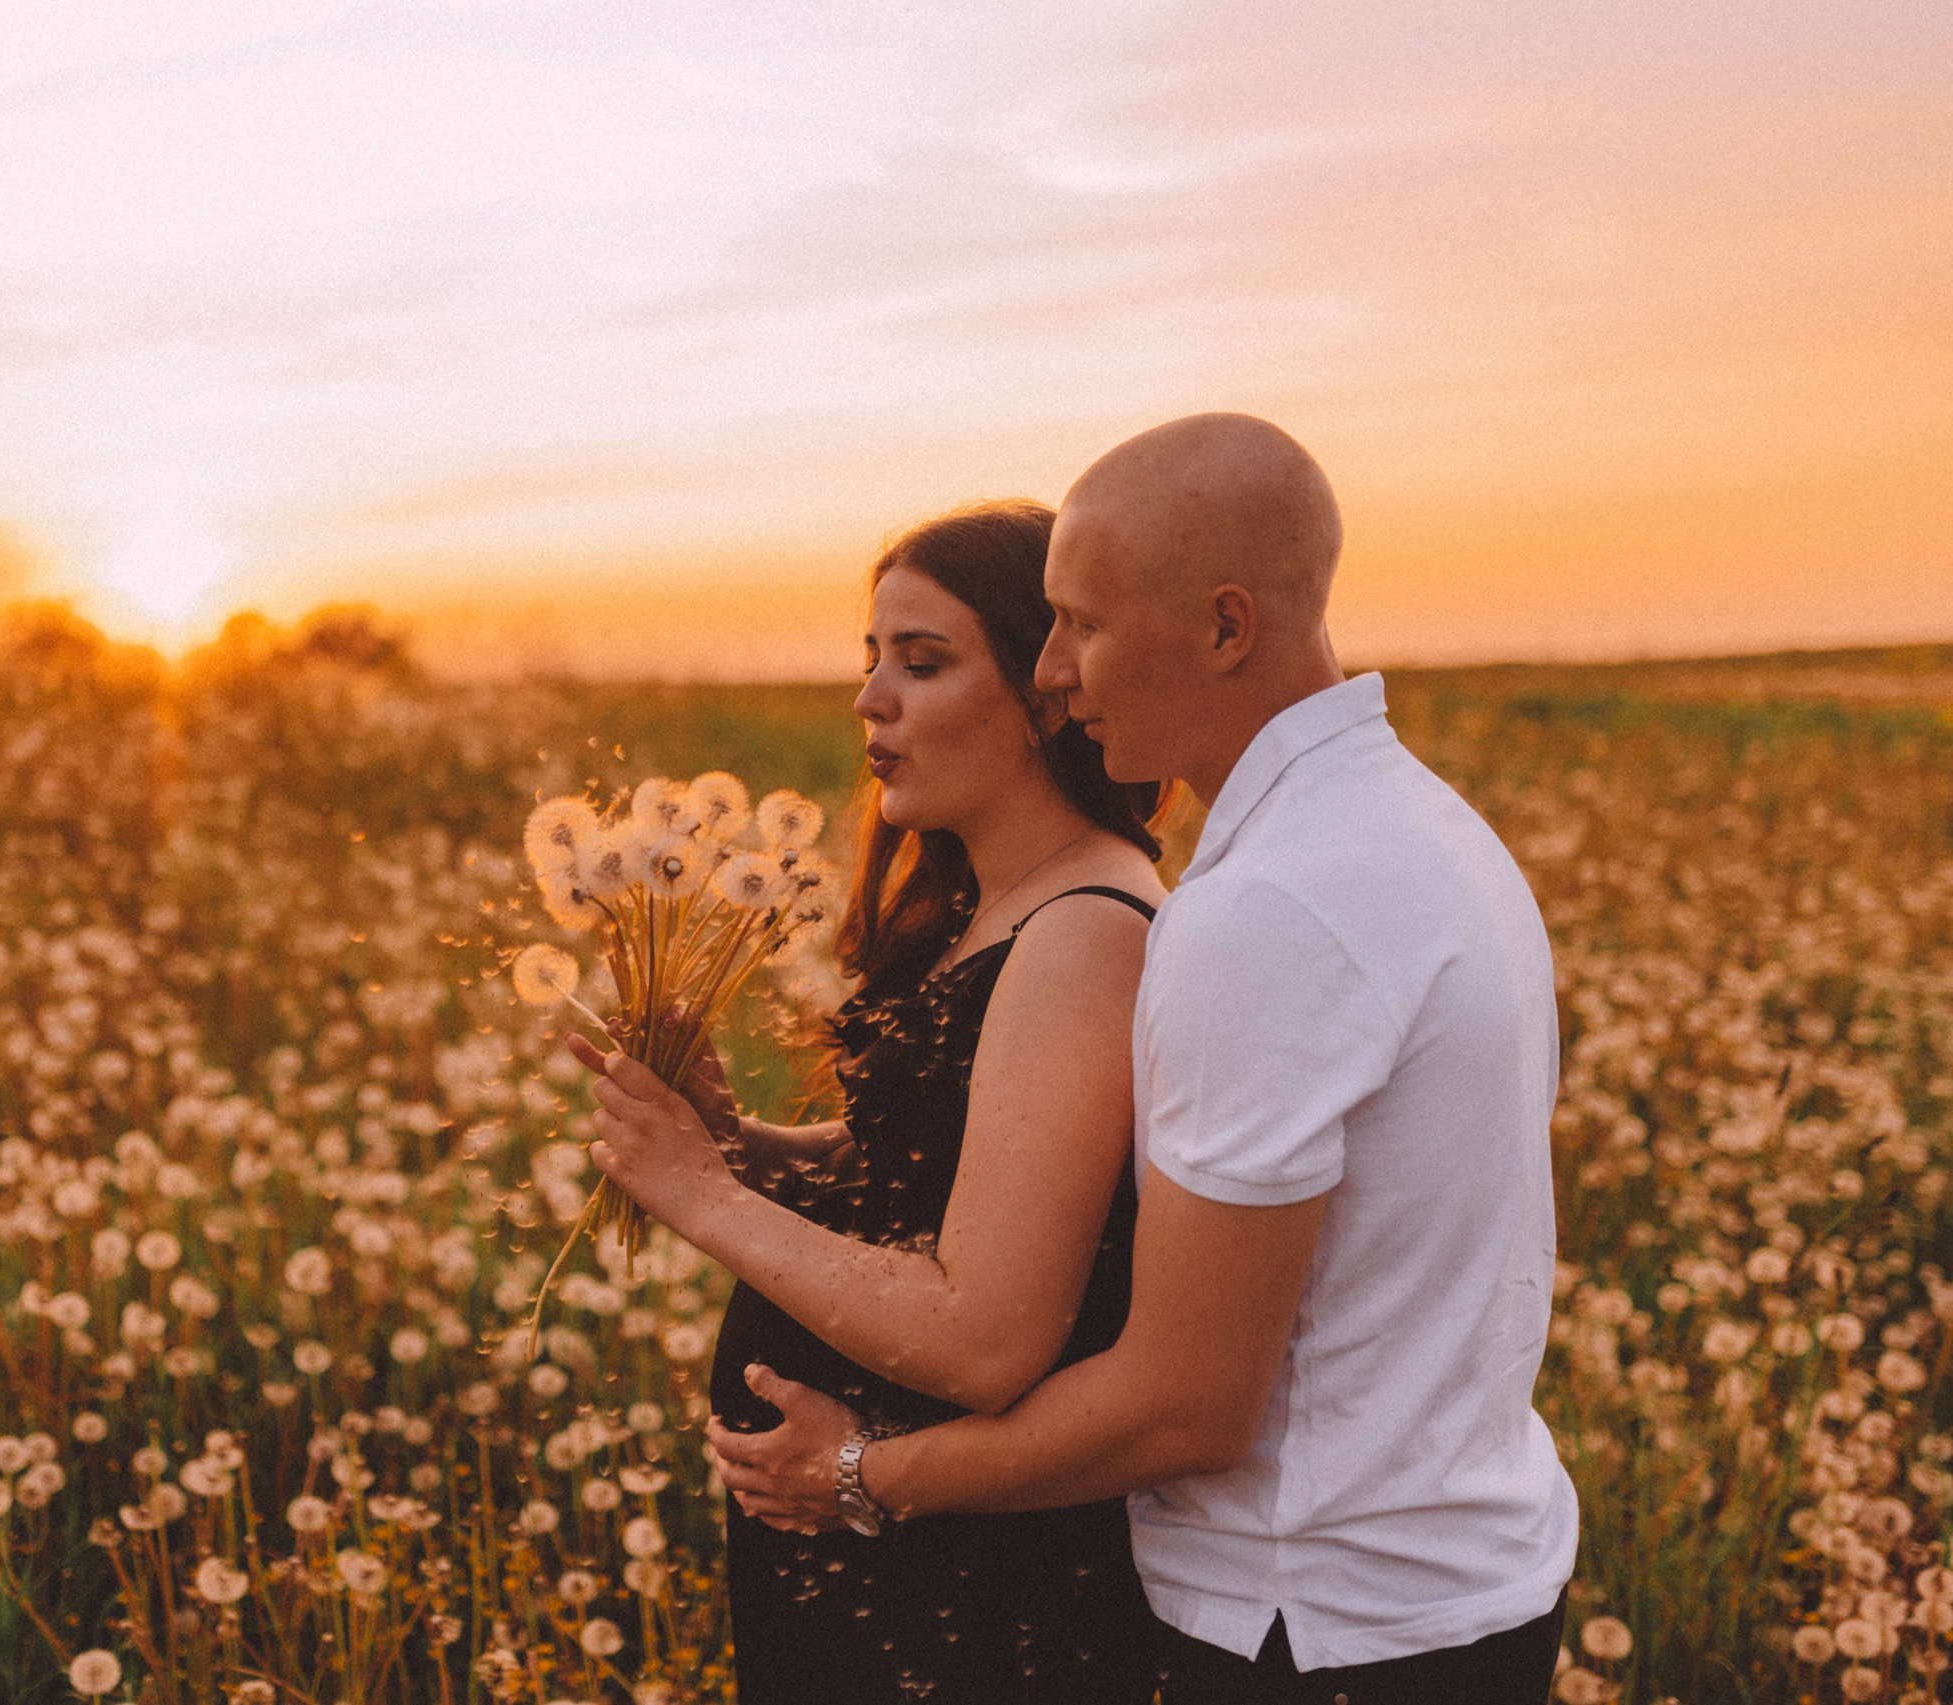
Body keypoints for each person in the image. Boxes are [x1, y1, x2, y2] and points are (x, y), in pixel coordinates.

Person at [705, 413, 1581, 1704]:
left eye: (1082, 624)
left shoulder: (1271, 909)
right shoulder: (1419, 831)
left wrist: (860, 1476)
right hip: (1427, 1594)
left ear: (1227, 628)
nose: (1053, 672)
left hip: (1319, 1628)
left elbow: (1188, 1402)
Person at [570, 499, 1171, 1702]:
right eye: (871, 658)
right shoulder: (994, 908)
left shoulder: (1084, 934)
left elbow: (987, 1336)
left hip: (957, 1602)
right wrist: (738, 1143)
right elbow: (941, 1167)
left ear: (1048, 690)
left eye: (924, 661)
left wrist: (697, 1194)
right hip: (874, 1563)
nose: (871, 700)